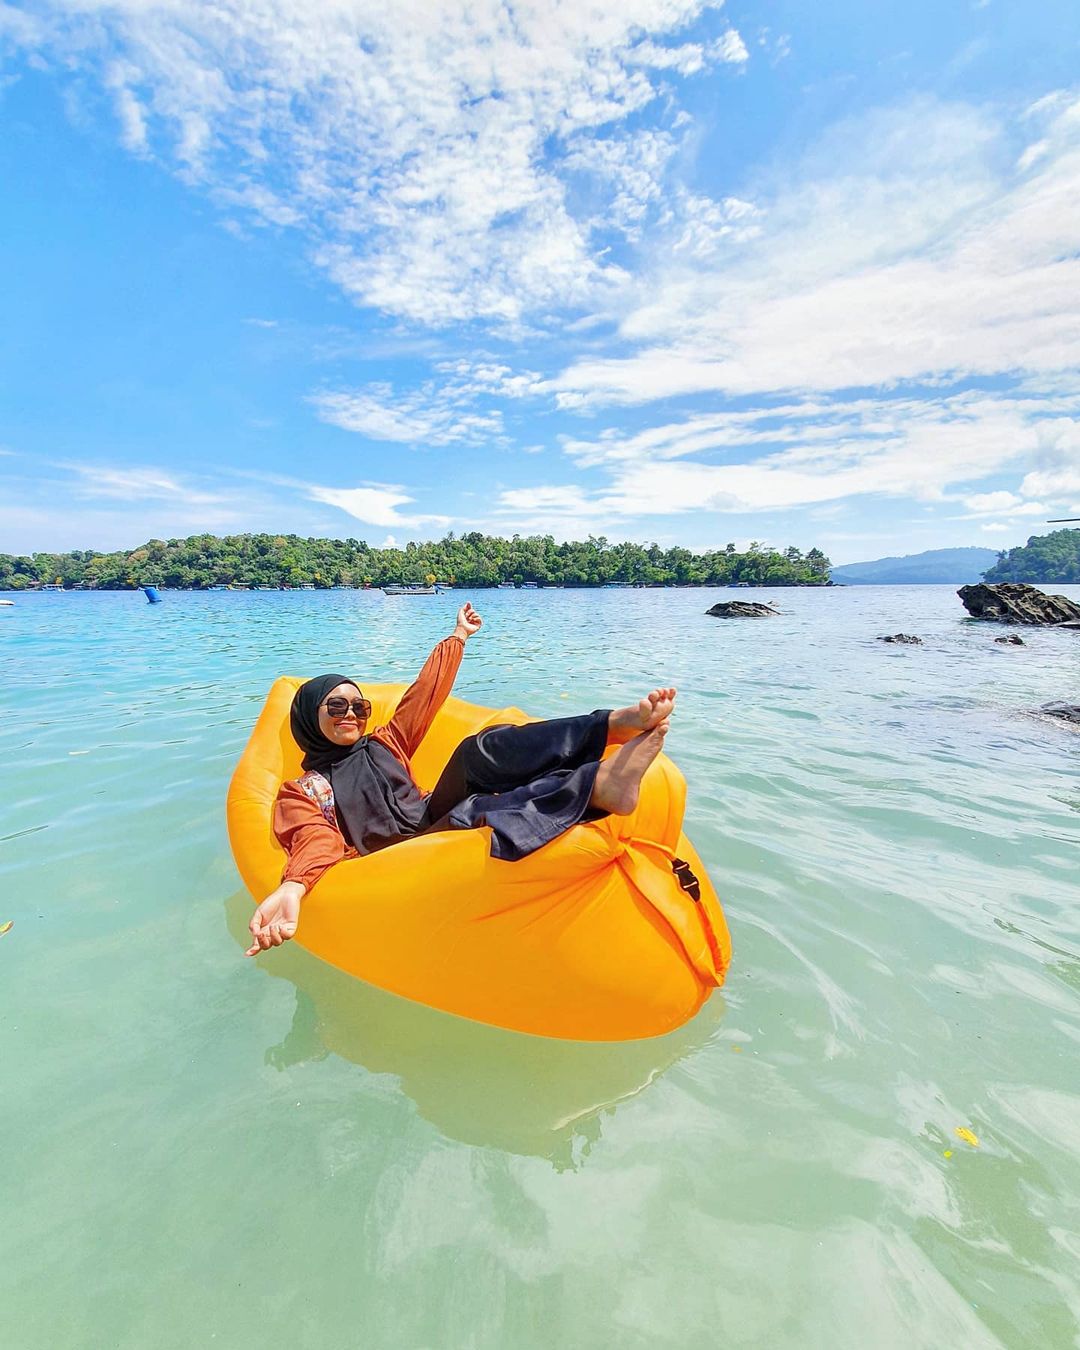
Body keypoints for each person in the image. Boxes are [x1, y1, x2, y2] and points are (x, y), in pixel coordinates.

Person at [246, 602, 675, 955]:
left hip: (429, 814)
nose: (352, 715)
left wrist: (458, 637)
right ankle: (599, 787)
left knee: (476, 752)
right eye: (336, 708)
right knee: (476, 810)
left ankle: (613, 725)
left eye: (359, 707)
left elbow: (424, 696)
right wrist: (294, 886)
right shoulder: (303, 790)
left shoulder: (384, 743)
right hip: (401, 858)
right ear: (309, 717)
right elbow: (313, 838)